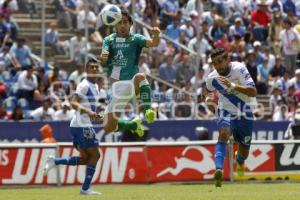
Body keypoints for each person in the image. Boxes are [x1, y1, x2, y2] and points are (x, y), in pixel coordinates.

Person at [43, 58, 103, 195]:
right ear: (87, 70)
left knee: (87, 159)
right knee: (95, 155)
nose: (94, 69)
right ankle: (85, 188)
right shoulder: (84, 85)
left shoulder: (95, 87)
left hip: (82, 124)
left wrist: (96, 115)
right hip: (81, 125)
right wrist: (89, 112)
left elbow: (88, 107)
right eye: (92, 67)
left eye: (96, 67)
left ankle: (55, 161)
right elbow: (73, 103)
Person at [100, 8, 160, 136]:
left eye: (125, 22)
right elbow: (103, 56)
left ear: (131, 24)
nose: (122, 25)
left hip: (132, 83)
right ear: (115, 24)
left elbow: (153, 44)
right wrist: (103, 57)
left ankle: (148, 110)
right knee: (107, 127)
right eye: (120, 22)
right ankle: (133, 124)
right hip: (116, 88)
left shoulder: (136, 39)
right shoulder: (108, 40)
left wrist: (156, 35)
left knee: (140, 76)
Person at [205, 48, 257, 187]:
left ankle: (239, 161)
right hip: (225, 110)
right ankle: (219, 170)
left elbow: (253, 91)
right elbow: (209, 93)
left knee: (244, 149)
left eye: (220, 62)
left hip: (245, 111)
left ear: (228, 60)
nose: (218, 66)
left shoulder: (239, 69)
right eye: (215, 63)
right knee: (223, 134)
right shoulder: (211, 78)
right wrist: (209, 99)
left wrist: (233, 86)